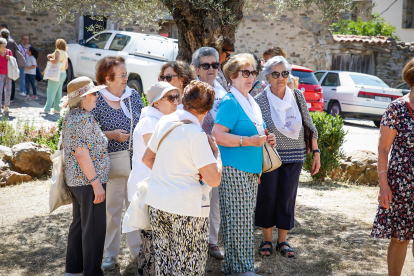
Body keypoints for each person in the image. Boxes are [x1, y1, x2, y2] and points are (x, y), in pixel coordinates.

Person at [142, 80, 222, 275]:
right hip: (188, 210)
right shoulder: (196, 135)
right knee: (188, 269)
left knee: (165, 266)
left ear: (183, 101)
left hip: (159, 203)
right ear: (207, 111)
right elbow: (214, 180)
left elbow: (147, 158)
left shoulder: (164, 121)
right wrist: (217, 155)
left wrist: (168, 176)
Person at [211, 53, 276, 276]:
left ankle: (238, 268)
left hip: (251, 169)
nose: (250, 77)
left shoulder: (250, 102)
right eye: (245, 73)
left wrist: (268, 139)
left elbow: (258, 132)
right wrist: (247, 141)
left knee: (243, 221)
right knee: (238, 221)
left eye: (253, 73)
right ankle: (241, 270)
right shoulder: (231, 102)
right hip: (234, 169)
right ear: (232, 76)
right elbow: (217, 135)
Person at [254, 56, 320, 259]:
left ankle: (282, 241)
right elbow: (256, 129)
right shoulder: (259, 100)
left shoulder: (297, 96)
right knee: (268, 196)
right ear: (268, 77)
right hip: (270, 157)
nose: (280, 78)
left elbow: (308, 125)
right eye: (275, 74)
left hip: (296, 155)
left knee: (286, 198)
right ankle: (266, 240)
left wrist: (316, 152)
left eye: (284, 73)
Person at [91, 56, 144, 271]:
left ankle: (138, 253)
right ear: (107, 78)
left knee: (136, 209)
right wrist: (111, 134)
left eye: (126, 74)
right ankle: (110, 256)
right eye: (122, 75)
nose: (126, 78)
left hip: (136, 163)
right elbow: (89, 134)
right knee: (112, 212)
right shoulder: (97, 99)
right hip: (110, 165)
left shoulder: (133, 97)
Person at [128, 81, 179, 276]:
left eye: (177, 96)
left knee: (156, 237)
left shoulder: (162, 119)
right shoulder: (150, 121)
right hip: (148, 185)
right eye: (170, 97)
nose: (176, 101)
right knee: (150, 237)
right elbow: (157, 153)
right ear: (156, 102)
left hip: (157, 183)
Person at [60, 76, 109, 276]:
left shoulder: (71, 115)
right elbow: (81, 153)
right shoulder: (83, 118)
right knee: (94, 229)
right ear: (82, 98)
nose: (97, 96)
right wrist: (97, 184)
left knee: (80, 225)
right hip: (88, 183)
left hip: (78, 182)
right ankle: (92, 272)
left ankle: (73, 269)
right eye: (93, 93)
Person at [371, 59, 414, 276]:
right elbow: (383, 150)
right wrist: (384, 186)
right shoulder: (396, 108)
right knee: (400, 237)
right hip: (402, 184)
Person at [192, 46, 227, 259]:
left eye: (215, 65)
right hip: (193, 153)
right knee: (195, 197)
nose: (211, 69)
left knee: (215, 200)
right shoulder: (190, 93)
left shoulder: (224, 93)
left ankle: (212, 242)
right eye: (206, 65)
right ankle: (195, 239)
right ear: (197, 69)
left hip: (217, 154)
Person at [41, 38, 69, 114]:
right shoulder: (65, 54)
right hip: (63, 74)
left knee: (51, 91)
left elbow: (55, 61)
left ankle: (47, 109)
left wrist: (49, 58)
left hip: (56, 74)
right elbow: (66, 67)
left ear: (57, 45)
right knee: (58, 92)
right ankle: (57, 109)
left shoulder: (57, 52)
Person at [1, 28, 21, 102]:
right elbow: (18, 51)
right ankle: (11, 97)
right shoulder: (12, 42)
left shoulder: (1, 42)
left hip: (3, 63)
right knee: (12, 81)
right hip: (11, 63)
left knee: (2, 82)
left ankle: (3, 97)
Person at [0, 37, 12, 114]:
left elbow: (13, 62)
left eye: (1, 44)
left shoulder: (9, 52)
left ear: (4, 44)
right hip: (0, 74)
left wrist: (10, 58)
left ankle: (6, 106)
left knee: (8, 90)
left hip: (8, 74)